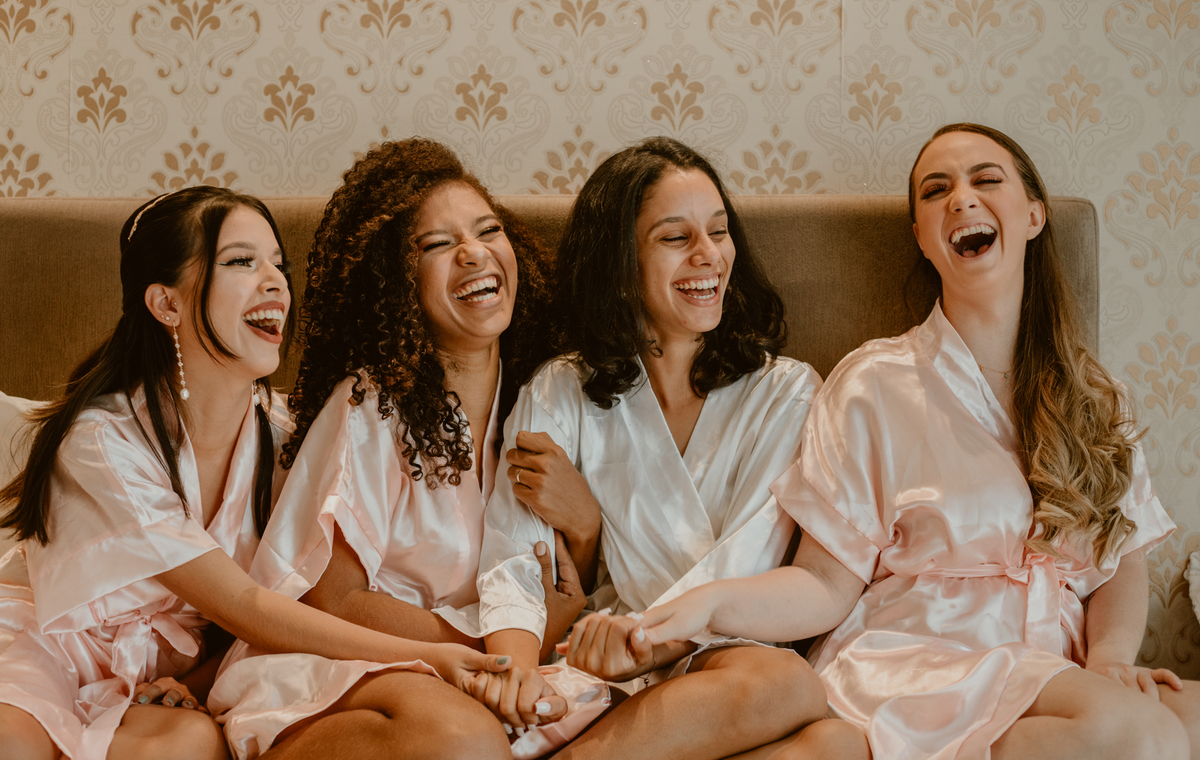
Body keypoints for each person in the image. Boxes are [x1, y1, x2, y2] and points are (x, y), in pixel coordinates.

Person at [638, 123, 1200, 759]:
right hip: (918, 659)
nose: (961, 198)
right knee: (1145, 736)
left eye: (986, 179)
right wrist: (708, 604)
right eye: (937, 191)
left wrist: (1110, 660)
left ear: (1034, 215)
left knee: (1189, 721)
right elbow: (823, 583)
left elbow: (1120, 559)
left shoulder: (1097, 396)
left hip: (1055, 669)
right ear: (922, 238)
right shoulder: (873, 383)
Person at [0, 187, 511, 760]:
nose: (275, 283)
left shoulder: (286, 436)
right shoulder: (102, 442)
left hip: (163, 677)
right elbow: (243, 603)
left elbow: (278, 601)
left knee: (188, 746)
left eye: (278, 264)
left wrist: (196, 683)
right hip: (51, 648)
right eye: (242, 261)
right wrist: (427, 654)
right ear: (166, 304)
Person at [209, 139, 604, 758]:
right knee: (463, 740)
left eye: (488, 230)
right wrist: (488, 651)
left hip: (495, 670)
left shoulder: (550, 399)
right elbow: (333, 601)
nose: (473, 252)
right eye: (437, 245)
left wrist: (586, 528)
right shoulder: (371, 405)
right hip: (346, 667)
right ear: (396, 281)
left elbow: (567, 592)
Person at [476, 137, 867, 759]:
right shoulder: (561, 389)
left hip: (721, 664)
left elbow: (747, 559)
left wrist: (645, 641)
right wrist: (517, 672)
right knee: (802, 705)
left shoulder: (786, 393)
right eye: (676, 237)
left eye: (719, 231)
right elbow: (514, 556)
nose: (709, 254)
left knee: (824, 728)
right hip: (597, 667)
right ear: (620, 265)